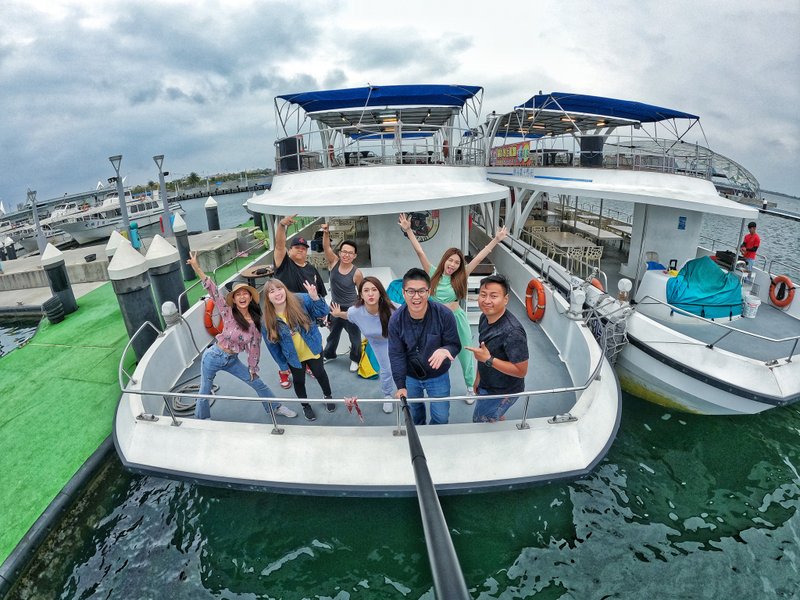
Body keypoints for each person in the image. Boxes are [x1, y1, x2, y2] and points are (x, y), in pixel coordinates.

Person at [398, 213, 507, 403]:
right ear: (445, 260)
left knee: (466, 353)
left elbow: (480, 256)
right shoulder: (432, 273)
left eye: (457, 262)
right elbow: (420, 252)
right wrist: (408, 230)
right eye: (451, 260)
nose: (453, 265)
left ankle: (469, 386)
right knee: (427, 351)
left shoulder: (462, 275)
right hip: (433, 320)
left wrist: (496, 240)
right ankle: (426, 383)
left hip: (456, 317)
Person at [186, 251, 296, 420]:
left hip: (232, 360)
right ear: (234, 299)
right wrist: (197, 268)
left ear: (251, 297)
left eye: (245, 293)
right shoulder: (227, 312)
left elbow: (254, 348)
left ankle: (276, 407)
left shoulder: (255, 322)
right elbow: (213, 291)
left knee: (257, 382)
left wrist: (253, 368)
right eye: (238, 295)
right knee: (204, 390)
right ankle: (202, 419)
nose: (242, 296)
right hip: (213, 356)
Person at [388, 268, 461, 425]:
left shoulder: (445, 315)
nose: (416, 296)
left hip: (438, 375)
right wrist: (400, 385)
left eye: (421, 291)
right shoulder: (395, 320)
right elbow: (396, 354)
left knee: (441, 418)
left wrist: (446, 350)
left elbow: (455, 344)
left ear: (429, 292)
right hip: (410, 377)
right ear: (403, 292)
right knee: (415, 415)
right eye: (411, 291)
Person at [262, 277, 334, 422]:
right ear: (267, 297)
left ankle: (328, 396)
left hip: (312, 348)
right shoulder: (266, 320)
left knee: (320, 374)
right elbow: (272, 346)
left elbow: (323, 312)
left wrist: (315, 298)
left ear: (285, 289)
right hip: (293, 357)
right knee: (299, 381)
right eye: (272, 291)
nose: (277, 293)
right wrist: (283, 366)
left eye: (279, 288)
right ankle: (305, 405)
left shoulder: (301, 299)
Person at [465, 274, 529, 423]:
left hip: (503, 391)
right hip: (487, 384)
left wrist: (488, 359)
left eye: (493, 296)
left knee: (481, 422)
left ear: (505, 299)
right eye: (483, 295)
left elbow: (521, 371)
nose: (487, 301)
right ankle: (497, 417)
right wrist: (478, 380)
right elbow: (483, 351)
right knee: (493, 416)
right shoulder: (484, 317)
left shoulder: (512, 332)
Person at [330, 276, 397, 414]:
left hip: (397, 340)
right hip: (378, 344)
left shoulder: (392, 307)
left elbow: (412, 312)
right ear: (361, 294)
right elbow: (347, 316)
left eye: (374, 289)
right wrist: (337, 314)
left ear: (380, 292)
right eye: (366, 290)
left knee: (406, 366)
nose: (371, 294)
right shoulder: (356, 311)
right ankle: (388, 395)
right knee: (386, 370)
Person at [320, 223, 363, 372]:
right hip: (334, 306)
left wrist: (358, 309)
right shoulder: (333, 263)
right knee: (333, 334)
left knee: (355, 337)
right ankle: (330, 354)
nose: (346, 255)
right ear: (339, 253)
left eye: (350, 253)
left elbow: (362, 293)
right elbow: (326, 248)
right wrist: (326, 233)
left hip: (350, 308)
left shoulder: (357, 273)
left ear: (354, 256)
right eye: (344, 251)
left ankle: (355, 359)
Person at [273, 214, 328, 297]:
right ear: (290, 250)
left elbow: (321, 294)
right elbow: (279, 245)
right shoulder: (284, 265)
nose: (300, 249)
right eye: (297, 247)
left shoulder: (312, 269)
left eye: (304, 248)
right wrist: (281, 225)